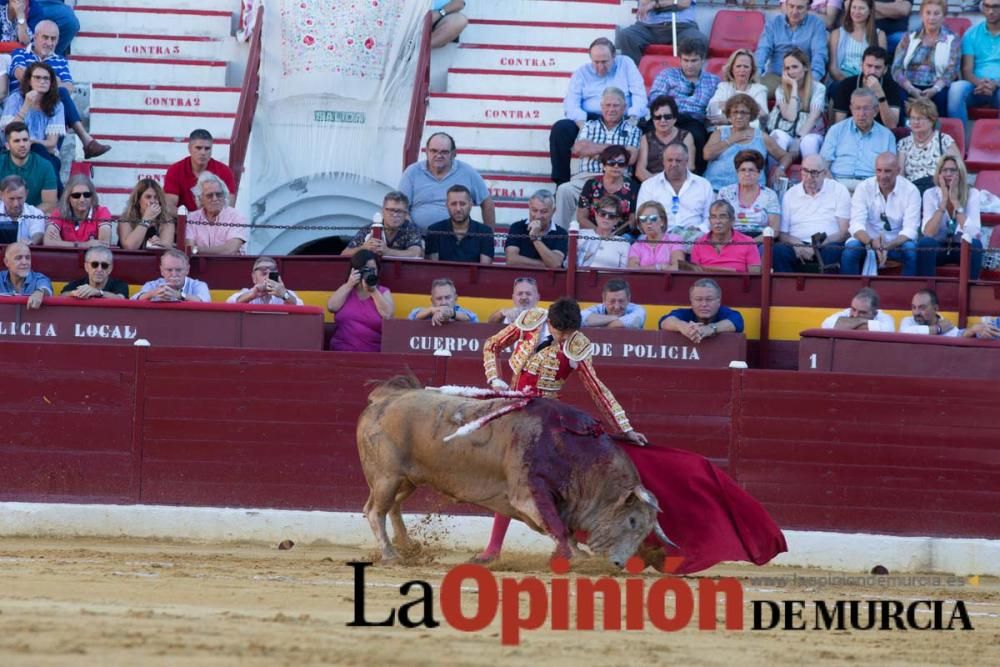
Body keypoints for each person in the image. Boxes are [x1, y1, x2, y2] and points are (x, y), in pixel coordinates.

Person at [473, 296, 787, 572]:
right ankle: (495, 548)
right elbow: (491, 345)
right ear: (551, 323)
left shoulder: (577, 345)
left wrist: (625, 428)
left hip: (545, 418)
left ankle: (549, 545)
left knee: (531, 479)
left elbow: (599, 391)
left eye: (569, 333)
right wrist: (495, 380)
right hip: (509, 409)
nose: (564, 337)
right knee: (507, 478)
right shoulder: (532, 319)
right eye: (560, 331)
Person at [550, 38, 646, 186]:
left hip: (624, 117)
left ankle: (632, 184)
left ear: (614, 56)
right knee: (560, 129)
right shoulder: (582, 72)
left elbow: (640, 95)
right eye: (596, 62)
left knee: (648, 130)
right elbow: (571, 105)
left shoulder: (626, 64)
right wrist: (585, 129)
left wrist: (631, 121)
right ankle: (561, 183)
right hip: (590, 119)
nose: (600, 67)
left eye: (604, 62)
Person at [8, 20, 109, 158]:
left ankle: (55, 157)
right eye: (45, 37)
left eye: (53, 39)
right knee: (60, 95)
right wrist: (53, 79)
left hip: (48, 106)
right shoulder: (20, 53)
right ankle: (86, 140)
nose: (49, 43)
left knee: (61, 98)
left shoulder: (60, 60)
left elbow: (69, 87)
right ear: (35, 36)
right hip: (21, 103)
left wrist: (44, 81)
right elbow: (20, 74)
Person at [554, 87, 641, 228]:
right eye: (607, 105)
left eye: (615, 105)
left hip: (617, 180)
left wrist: (593, 149)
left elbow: (630, 157)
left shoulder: (633, 130)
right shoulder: (589, 126)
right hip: (585, 178)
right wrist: (616, 150)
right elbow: (579, 148)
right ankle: (560, 239)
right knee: (564, 190)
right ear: (601, 107)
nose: (611, 109)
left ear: (624, 107)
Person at [841, 152, 919, 275]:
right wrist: (872, 242)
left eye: (887, 171)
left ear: (898, 171)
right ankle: (849, 291)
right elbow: (856, 225)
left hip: (896, 243)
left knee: (910, 250)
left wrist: (887, 246)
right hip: (867, 240)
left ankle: (907, 291)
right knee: (851, 250)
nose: (882, 176)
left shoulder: (911, 190)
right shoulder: (864, 188)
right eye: (879, 170)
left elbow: (910, 230)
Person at [648, 37, 718, 172]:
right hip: (668, 115)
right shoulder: (667, 75)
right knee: (647, 130)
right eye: (685, 60)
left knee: (698, 135)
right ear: (680, 59)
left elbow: (715, 106)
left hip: (694, 120)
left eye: (694, 61)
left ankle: (695, 174)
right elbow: (654, 99)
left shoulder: (713, 81)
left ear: (703, 60)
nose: (689, 65)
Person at [399, 132, 494, 229]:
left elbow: (487, 203)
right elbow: (400, 208)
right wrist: (413, 236)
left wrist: (488, 237)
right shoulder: (412, 172)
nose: (438, 155)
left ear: (453, 153)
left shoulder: (467, 172)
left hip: (456, 239)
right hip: (420, 239)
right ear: (426, 151)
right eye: (434, 151)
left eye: (444, 152)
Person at [775, 155, 851, 273]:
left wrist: (817, 246)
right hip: (798, 243)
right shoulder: (790, 194)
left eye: (814, 172)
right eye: (805, 171)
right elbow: (783, 234)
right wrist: (798, 245)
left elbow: (844, 232)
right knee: (778, 250)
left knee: (833, 250)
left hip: (828, 242)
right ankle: (788, 290)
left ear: (825, 173)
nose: (809, 177)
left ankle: (826, 290)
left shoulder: (839, 190)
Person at [704, 94, 792, 190]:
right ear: (729, 114)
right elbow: (707, 155)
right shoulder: (719, 133)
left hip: (751, 192)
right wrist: (731, 139)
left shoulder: (761, 137)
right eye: (735, 112)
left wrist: (781, 168)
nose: (739, 116)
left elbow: (785, 156)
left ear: (751, 115)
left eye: (743, 112)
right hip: (716, 188)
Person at [917, 155, 983, 280]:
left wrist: (955, 201)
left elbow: (974, 233)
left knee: (975, 245)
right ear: (939, 173)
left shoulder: (972, 194)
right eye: (944, 170)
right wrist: (944, 202)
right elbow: (928, 232)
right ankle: (927, 290)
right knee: (925, 243)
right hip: (939, 247)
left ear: (960, 173)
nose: (948, 174)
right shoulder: (929, 194)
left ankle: (971, 290)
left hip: (961, 248)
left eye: (953, 170)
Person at [890, 0, 959, 119]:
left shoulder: (952, 39)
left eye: (936, 13)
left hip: (937, 87)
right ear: (922, 15)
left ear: (944, 16)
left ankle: (939, 133)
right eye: (928, 13)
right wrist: (910, 89)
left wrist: (935, 89)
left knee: (943, 97)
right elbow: (896, 68)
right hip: (909, 86)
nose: (932, 17)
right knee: (896, 95)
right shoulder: (909, 36)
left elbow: (952, 71)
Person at [820, 87, 896, 190]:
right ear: (851, 109)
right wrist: (835, 188)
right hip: (838, 183)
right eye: (857, 108)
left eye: (866, 108)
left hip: (870, 186)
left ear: (876, 110)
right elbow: (823, 165)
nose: (861, 114)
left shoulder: (887, 136)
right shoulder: (836, 130)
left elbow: (890, 171)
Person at [635, 141, 712, 244]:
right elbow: (641, 218)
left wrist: (700, 229)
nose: (674, 164)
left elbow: (710, 217)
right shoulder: (649, 186)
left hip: (695, 238)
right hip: (658, 238)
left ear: (687, 161)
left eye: (678, 160)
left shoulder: (703, 184)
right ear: (663, 161)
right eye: (670, 160)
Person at [1, 61, 64, 178]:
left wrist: (32, 142)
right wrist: (26, 106)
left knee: (39, 150)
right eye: (37, 77)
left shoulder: (57, 105)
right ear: (29, 81)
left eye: (46, 78)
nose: (42, 81)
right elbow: (8, 132)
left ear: (51, 83)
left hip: (43, 152)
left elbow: (51, 143)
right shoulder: (16, 99)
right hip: (15, 151)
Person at [947, 1, 1000, 132]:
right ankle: (959, 144)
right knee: (955, 90)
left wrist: (995, 84)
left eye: (995, 6)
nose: (991, 11)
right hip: (976, 87)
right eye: (987, 6)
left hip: (998, 87)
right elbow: (967, 70)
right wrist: (980, 84)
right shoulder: (971, 34)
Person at [326, 249, 393, 352]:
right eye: (365, 269)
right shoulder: (347, 290)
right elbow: (331, 307)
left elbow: (388, 315)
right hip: (341, 351)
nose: (370, 272)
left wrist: (373, 291)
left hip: (373, 354)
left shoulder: (383, 292)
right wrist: (349, 284)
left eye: (373, 269)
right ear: (356, 270)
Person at [756, 0, 829, 93]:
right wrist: (756, 74)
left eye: (800, 8)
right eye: (791, 6)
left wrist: (812, 81)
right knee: (757, 92)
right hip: (776, 76)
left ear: (808, 8)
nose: (794, 12)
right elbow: (763, 50)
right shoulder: (774, 23)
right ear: (786, 5)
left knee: (809, 98)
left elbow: (819, 55)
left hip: (803, 78)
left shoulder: (816, 25)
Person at [767, 49, 827, 159]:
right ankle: (774, 173)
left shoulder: (818, 88)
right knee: (777, 136)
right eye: (787, 68)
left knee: (808, 141)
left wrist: (799, 138)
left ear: (805, 67)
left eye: (795, 67)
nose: (791, 72)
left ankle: (811, 174)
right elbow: (790, 116)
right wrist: (794, 87)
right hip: (787, 132)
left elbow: (813, 117)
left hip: (810, 133)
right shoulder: (780, 90)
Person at [163, 129, 236, 215]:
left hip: (216, 222)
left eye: (207, 148)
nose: (203, 152)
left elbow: (229, 206)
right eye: (198, 148)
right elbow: (169, 206)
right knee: (168, 224)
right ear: (189, 148)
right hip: (183, 222)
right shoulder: (175, 170)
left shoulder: (224, 171)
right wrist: (193, 219)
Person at [896, 97, 960, 192]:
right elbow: (900, 176)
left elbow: (958, 170)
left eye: (920, 118)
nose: (915, 122)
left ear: (932, 120)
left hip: (938, 190)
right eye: (912, 118)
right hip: (913, 192)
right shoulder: (903, 143)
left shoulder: (944, 140)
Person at [828, 0, 887, 100]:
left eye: (861, 8)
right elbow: (833, 69)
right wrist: (853, 83)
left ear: (870, 11)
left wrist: (864, 83)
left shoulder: (879, 35)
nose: (856, 12)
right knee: (837, 87)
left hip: (869, 81)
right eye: (854, 7)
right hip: (842, 80)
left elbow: (881, 66)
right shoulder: (837, 33)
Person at [832, 45, 904, 128]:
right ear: (862, 65)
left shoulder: (892, 86)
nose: (872, 71)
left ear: (885, 69)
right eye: (869, 66)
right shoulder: (847, 84)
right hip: (851, 132)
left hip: (881, 134)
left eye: (878, 67)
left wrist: (880, 94)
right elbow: (839, 124)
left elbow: (892, 125)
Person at [717, 150, 781, 241]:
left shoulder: (769, 195)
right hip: (731, 238)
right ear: (737, 172)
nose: (747, 174)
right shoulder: (726, 193)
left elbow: (774, 229)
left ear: (759, 173)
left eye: (751, 170)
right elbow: (719, 222)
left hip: (760, 239)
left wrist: (751, 243)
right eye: (743, 170)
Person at [615, 0, 703, 64]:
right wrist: (672, 2)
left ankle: (688, 83)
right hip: (649, 27)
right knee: (627, 36)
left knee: (698, 39)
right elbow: (645, 2)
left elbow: (684, 3)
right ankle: (635, 81)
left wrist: (655, 3)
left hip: (682, 27)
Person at [659, 277, 745, 342]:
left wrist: (710, 329)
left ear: (718, 301)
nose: (704, 304)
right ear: (691, 301)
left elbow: (737, 321)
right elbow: (664, 321)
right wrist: (684, 327)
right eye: (698, 299)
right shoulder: (685, 313)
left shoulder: (726, 313)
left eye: (709, 299)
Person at [342, 191, 424, 259]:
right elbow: (344, 254)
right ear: (383, 211)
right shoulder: (370, 229)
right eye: (391, 210)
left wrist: (387, 251)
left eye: (399, 211)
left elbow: (416, 253)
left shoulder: (411, 229)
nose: (395, 215)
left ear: (406, 214)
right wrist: (364, 248)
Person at [425, 185, 494, 264]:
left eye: (462, 204)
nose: (458, 209)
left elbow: (484, 270)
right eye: (453, 204)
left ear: (470, 205)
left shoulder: (485, 232)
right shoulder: (434, 230)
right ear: (447, 205)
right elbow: (433, 269)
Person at [576, 144, 638, 232]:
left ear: (625, 167)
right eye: (611, 163)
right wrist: (600, 233)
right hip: (593, 232)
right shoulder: (591, 185)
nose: (616, 166)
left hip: (621, 235)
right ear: (604, 166)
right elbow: (581, 217)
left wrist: (612, 235)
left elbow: (632, 220)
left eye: (621, 163)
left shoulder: (633, 187)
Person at [690, 200, 762, 273]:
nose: (717, 221)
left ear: (732, 220)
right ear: (709, 220)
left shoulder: (748, 243)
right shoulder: (699, 244)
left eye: (722, 217)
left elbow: (755, 278)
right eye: (713, 217)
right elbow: (694, 277)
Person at [185, 172, 247, 256]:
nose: (215, 199)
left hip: (231, 265)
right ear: (200, 199)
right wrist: (193, 250)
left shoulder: (236, 216)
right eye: (210, 195)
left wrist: (197, 249)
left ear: (224, 196)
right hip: (200, 266)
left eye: (219, 194)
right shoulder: (191, 218)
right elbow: (189, 249)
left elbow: (230, 249)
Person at [706, 49, 769, 130]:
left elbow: (762, 117)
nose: (742, 70)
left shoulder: (760, 89)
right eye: (738, 66)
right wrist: (748, 110)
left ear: (752, 70)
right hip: (722, 133)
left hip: (749, 135)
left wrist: (728, 119)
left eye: (746, 66)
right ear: (732, 69)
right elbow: (712, 110)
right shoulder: (723, 86)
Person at [43, 174, 111, 248]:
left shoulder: (102, 212)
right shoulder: (59, 212)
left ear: (92, 196)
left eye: (86, 195)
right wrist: (84, 245)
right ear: (68, 198)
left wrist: (61, 243)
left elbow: (104, 244)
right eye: (76, 196)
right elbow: (48, 241)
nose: (82, 200)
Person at [0, 121, 56, 212]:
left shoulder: (45, 166)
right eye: (16, 141)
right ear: (7, 146)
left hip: (35, 217)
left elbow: (50, 203)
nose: (22, 144)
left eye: (25, 140)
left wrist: (27, 216)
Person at [636, 95, 695, 180]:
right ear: (653, 120)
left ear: (674, 118)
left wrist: (668, 182)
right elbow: (640, 171)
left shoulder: (686, 136)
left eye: (667, 117)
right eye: (658, 117)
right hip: (652, 185)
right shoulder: (645, 138)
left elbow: (690, 166)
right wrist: (658, 184)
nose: (662, 120)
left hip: (679, 182)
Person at [504, 190, 567, 269]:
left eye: (544, 211)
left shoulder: (561, 233)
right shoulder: (517, 227)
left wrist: (535, 238)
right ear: (529, 208)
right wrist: (545, 264)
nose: (538, 216)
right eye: (534, 210)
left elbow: (555, 264)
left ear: (553, 211)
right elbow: (511, 260)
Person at [133, 249, 210, 302]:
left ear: (187, 270)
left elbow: (205, 302)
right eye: (169, 270)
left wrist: (179, 296)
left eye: (179, 270)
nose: (174, 274)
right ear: (162, 271)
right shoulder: (152, 285)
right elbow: (133, 301)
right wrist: (152, 294)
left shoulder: (199, 285)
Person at [118, 178, 175, 250]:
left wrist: (159, 244)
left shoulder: (167, 220)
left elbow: (167, 249)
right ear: (138, 200)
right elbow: (130, 247)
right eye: (148, 197)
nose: (152, 201)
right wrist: (146, 219)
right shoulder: (126, 218)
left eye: (156, 197)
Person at [627, 200, 685, 271]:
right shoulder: (636, 246)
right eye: (643, 219)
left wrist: (644, 269)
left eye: (653, 218)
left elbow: (678, 267)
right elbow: (632, 269)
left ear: (662, 221)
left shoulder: (674, 240)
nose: (648, 222)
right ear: (640, 224)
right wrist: (659, 267)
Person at [576, 194, 630, 269]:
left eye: (611, 216)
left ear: (617, 220)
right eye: (603, 214)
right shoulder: (580, 235)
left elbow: (624, 274)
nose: (606, 218)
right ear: (596, 215)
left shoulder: (623, 243)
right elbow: (567, 264)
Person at [226, 256, 303, 306]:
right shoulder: (246, 293)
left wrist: (284, 295)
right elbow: (229, 303)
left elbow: (300, 305)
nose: (268, 277)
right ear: (254, 277)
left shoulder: (286, 293)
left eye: (272, 272)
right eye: (264, 273)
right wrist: (251, 296)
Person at [59, 246, 129, 300]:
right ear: (86, 267)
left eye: (104, 265)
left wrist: (98, 292)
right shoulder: (78, 283)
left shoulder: (120, 285)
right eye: (94, 264)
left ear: (110, 269)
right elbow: (61, 296)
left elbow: (121, 299)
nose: (99, 269)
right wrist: (74, 293)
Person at [0, 240, 50, 308]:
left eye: (27, 258)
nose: (24, 262)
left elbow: (45, 287)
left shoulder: (39, 278)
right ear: (6, 262)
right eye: (18, 258)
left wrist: (39, 293)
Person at [407, 277, 478, 325]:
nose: (443, 302)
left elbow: (473, 320)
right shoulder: (425, 311)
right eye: (439, 298)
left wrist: (452, 314)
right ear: (432, 301)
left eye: (447, 298)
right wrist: (431, 311)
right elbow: (412, 318)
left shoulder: (464, 313)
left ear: (455, 298)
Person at [821, 287, 896, 331]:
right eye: (853, 309)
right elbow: (826, 324)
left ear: (874, 313)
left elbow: (888, 329)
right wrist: (863, 321)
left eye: (862, 312)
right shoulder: (846, 312)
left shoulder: (885, 317)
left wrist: (847, 325)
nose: (855, 315)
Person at [581, 278, 646, 329]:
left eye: (621, 301)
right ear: (604, 299)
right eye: (612, 301)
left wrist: (597, 322)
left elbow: (623, 324)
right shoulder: (598, 308)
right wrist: (614, 318)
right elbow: (580, 318)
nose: (616, 307)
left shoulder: (638, 310)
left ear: (628, 299)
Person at [0, 173, 44, 244]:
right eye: (11, 199)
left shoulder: (35, 213)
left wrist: (31, 242)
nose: (16, 204)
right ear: (1, 195)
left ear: (26, 194)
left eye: (20, 198)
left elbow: (38, 234)